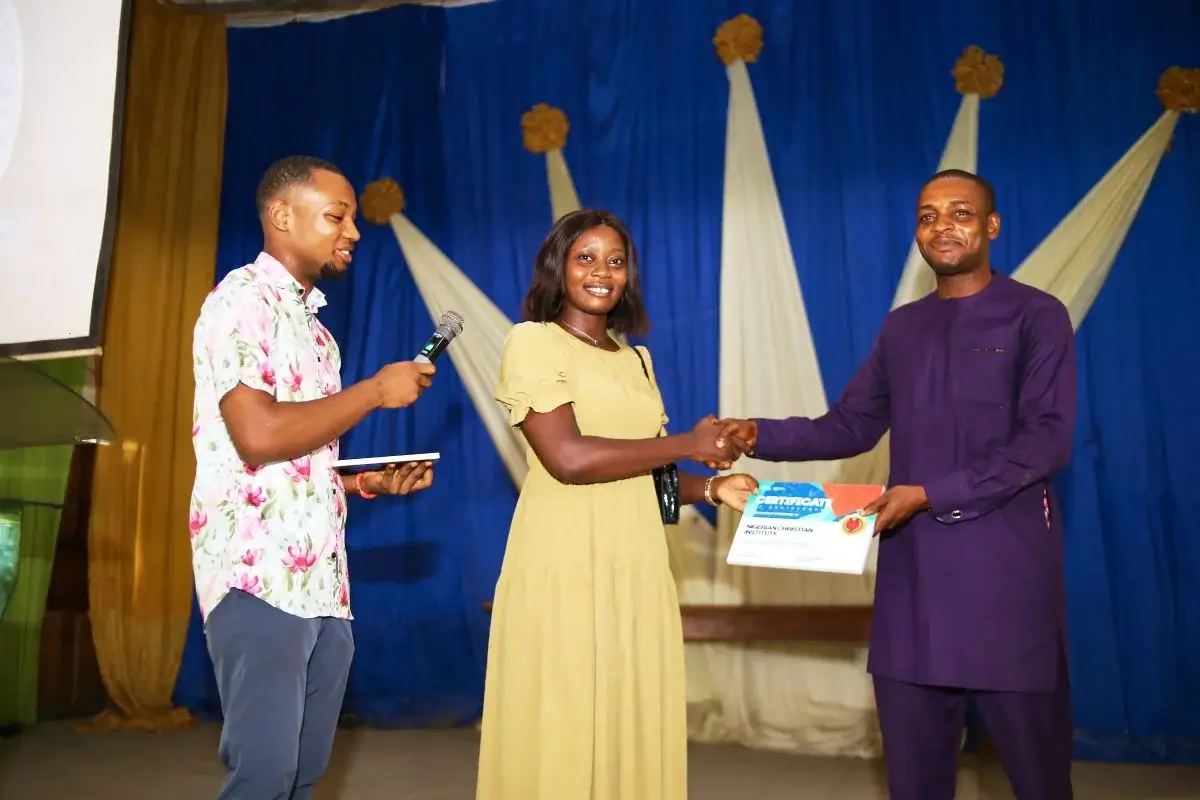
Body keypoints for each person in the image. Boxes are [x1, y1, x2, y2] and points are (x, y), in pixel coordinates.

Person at [716, 169, 1077, 799]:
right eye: (928, 215)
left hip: (1005, 573)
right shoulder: (902, 329)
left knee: (1038, 775)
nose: (943, 226)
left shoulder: (1036, 315)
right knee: (914, 778)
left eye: (961, 213)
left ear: (991, 226)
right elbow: (851, 425)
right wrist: (756, 433)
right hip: (913, 574)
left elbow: (1046, 439)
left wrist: (931, 493)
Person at [475, 209, 757, 800]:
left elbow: (647, 474)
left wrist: (710, 488)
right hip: (564, 564)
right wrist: (691, 444)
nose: (602, 272)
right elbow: (569, 459)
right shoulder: (531, 341)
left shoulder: (638, 361)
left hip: (638, 567)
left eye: (616, 260)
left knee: (630, 714)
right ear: (559, 266)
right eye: (586, 258)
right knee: (567, 720)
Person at [189, 155, 438, 799]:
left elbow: (295, 459)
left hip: (323, 586)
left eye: (353, 218)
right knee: (264, 776)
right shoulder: (241, 301)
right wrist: (375, 392)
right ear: (281, 216)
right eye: (337, 216)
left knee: (302, 778)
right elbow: (259, 434)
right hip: (257, 577)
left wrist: (366, 484)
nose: (353, 231)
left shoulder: (318, 334)